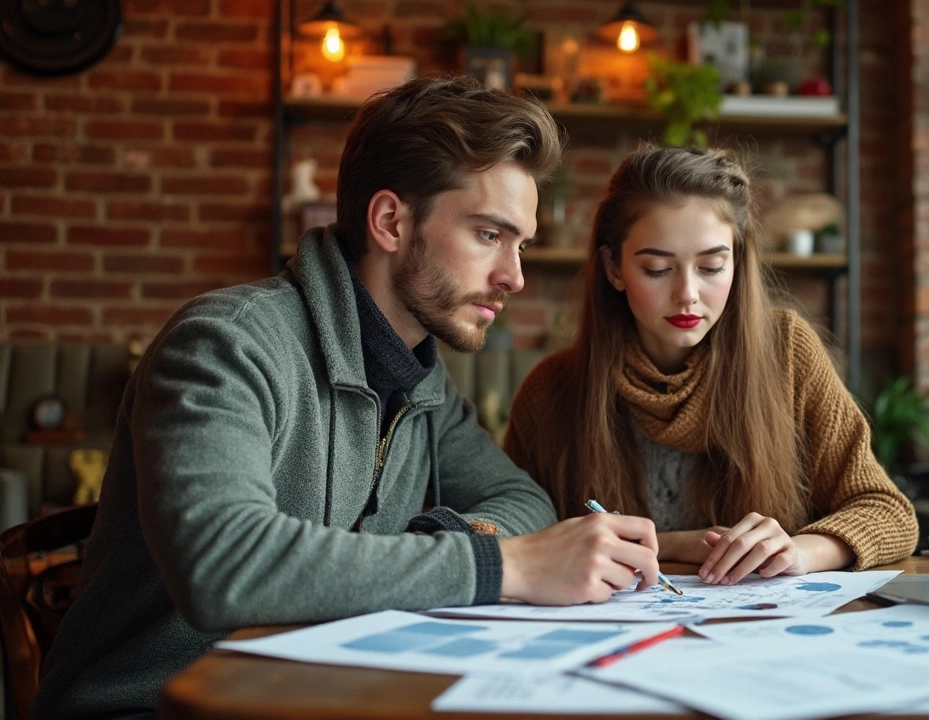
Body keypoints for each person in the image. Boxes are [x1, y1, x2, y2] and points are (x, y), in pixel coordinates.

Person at [32, 76, 661, 720]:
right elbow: (226, 564)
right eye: (488, 235)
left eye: (520, 244)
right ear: (391, 221)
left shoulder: (420, 376)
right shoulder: (225, 344)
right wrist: (503, 565)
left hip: (315, 695)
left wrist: (441, 540)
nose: (515, 277)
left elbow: (521, 499)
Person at [505, 143, 918, 587]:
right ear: (614, 269)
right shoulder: (551, 392)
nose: (687, 293)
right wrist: (674, 543)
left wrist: (799, 550)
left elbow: (888, 511)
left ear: (737, 264)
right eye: (658, 269)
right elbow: (513, 534)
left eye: (712, 266)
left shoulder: (788, 352)